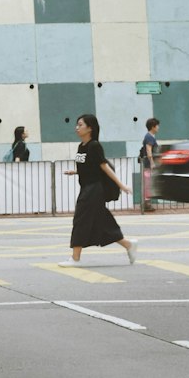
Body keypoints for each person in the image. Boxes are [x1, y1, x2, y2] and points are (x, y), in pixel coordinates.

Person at [62, 114, 137, 267]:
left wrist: (121, 185)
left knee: (80, 220)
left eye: (80, 125)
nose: (77, 127)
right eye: (77, 125)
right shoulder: (81, 146)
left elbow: (103, 166)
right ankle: (129, 245)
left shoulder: (94, 145)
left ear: (90, 128)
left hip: (94, 189)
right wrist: (75, 172)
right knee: (102, 222)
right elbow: (90, 167)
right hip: (86, 188)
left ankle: (75, 258)